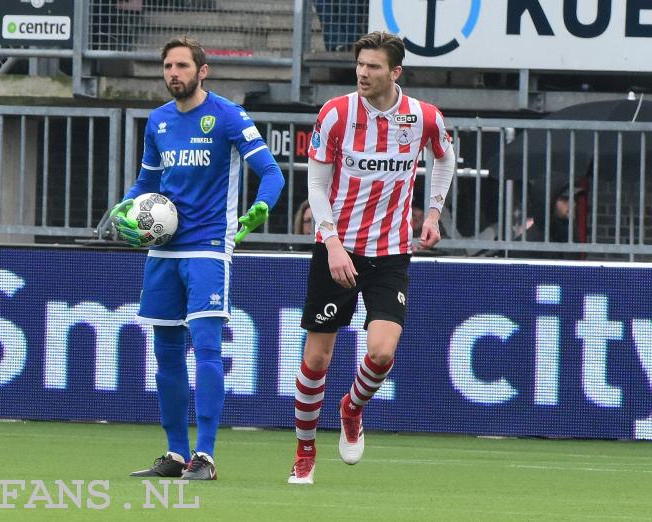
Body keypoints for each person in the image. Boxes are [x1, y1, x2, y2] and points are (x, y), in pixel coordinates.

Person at [109, 36, 284, 480]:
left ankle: (204, 456)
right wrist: (122, 209)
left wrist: (261, 204)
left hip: (208, 246)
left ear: (202, 70)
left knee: (206, 347)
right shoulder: (158, 121)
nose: (174, 73)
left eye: (182, 66)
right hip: (163, 250)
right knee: (165, 353)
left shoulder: (227, 116)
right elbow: (145, 185)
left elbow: (271, 172)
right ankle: (174, 453)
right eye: (167, 66)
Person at [288, 31, 455, 484]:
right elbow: (317, 185)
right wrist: (332, 243)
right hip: (336, 249)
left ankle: (351, 408)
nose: (363, 73)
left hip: (391, 251)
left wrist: (433, 212)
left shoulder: (423, 117)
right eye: (360, 64)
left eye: (373, 66)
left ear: (394, 72)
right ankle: (304, 451)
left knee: (381, 353)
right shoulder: (336, 114)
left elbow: (445, 157)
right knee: (318, 358)